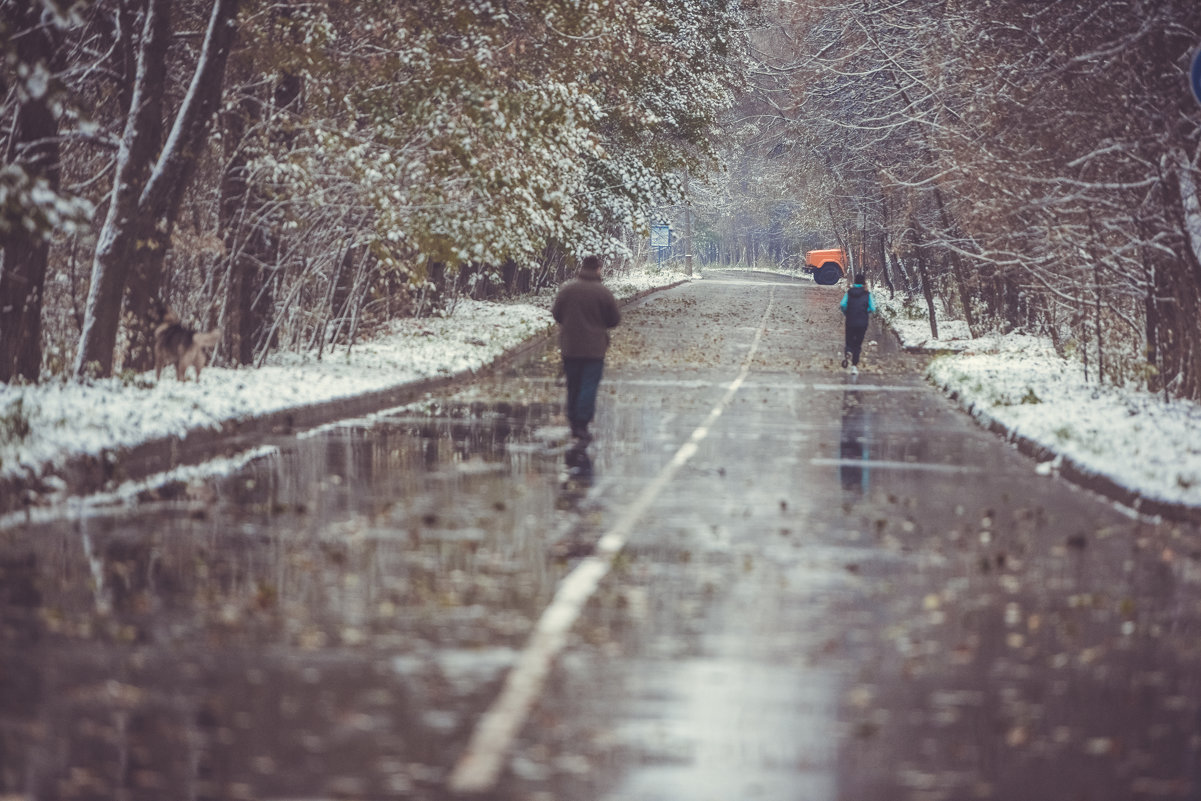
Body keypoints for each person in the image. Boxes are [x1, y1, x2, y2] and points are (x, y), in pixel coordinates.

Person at [551, 255, 621, 444]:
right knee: (588, 386)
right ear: (598, 269)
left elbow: (556, 314)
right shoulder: (603, 293)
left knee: (573, 385)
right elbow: (614, 319)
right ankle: (582, 423)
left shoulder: (567, 290)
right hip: (594, 350)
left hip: (570, 347)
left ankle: (573, 421)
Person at [839, 272, 877, 376]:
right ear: (864, 282)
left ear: (855, 281)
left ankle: (848, 351)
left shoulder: (849, 292)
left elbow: (842, 304)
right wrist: (865, 312)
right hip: (862, 322)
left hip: (850, 320)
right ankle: (854, 367)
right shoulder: (867, 294)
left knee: (849, 340)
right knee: (858, 344)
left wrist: (847, 312)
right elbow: (873, 308)